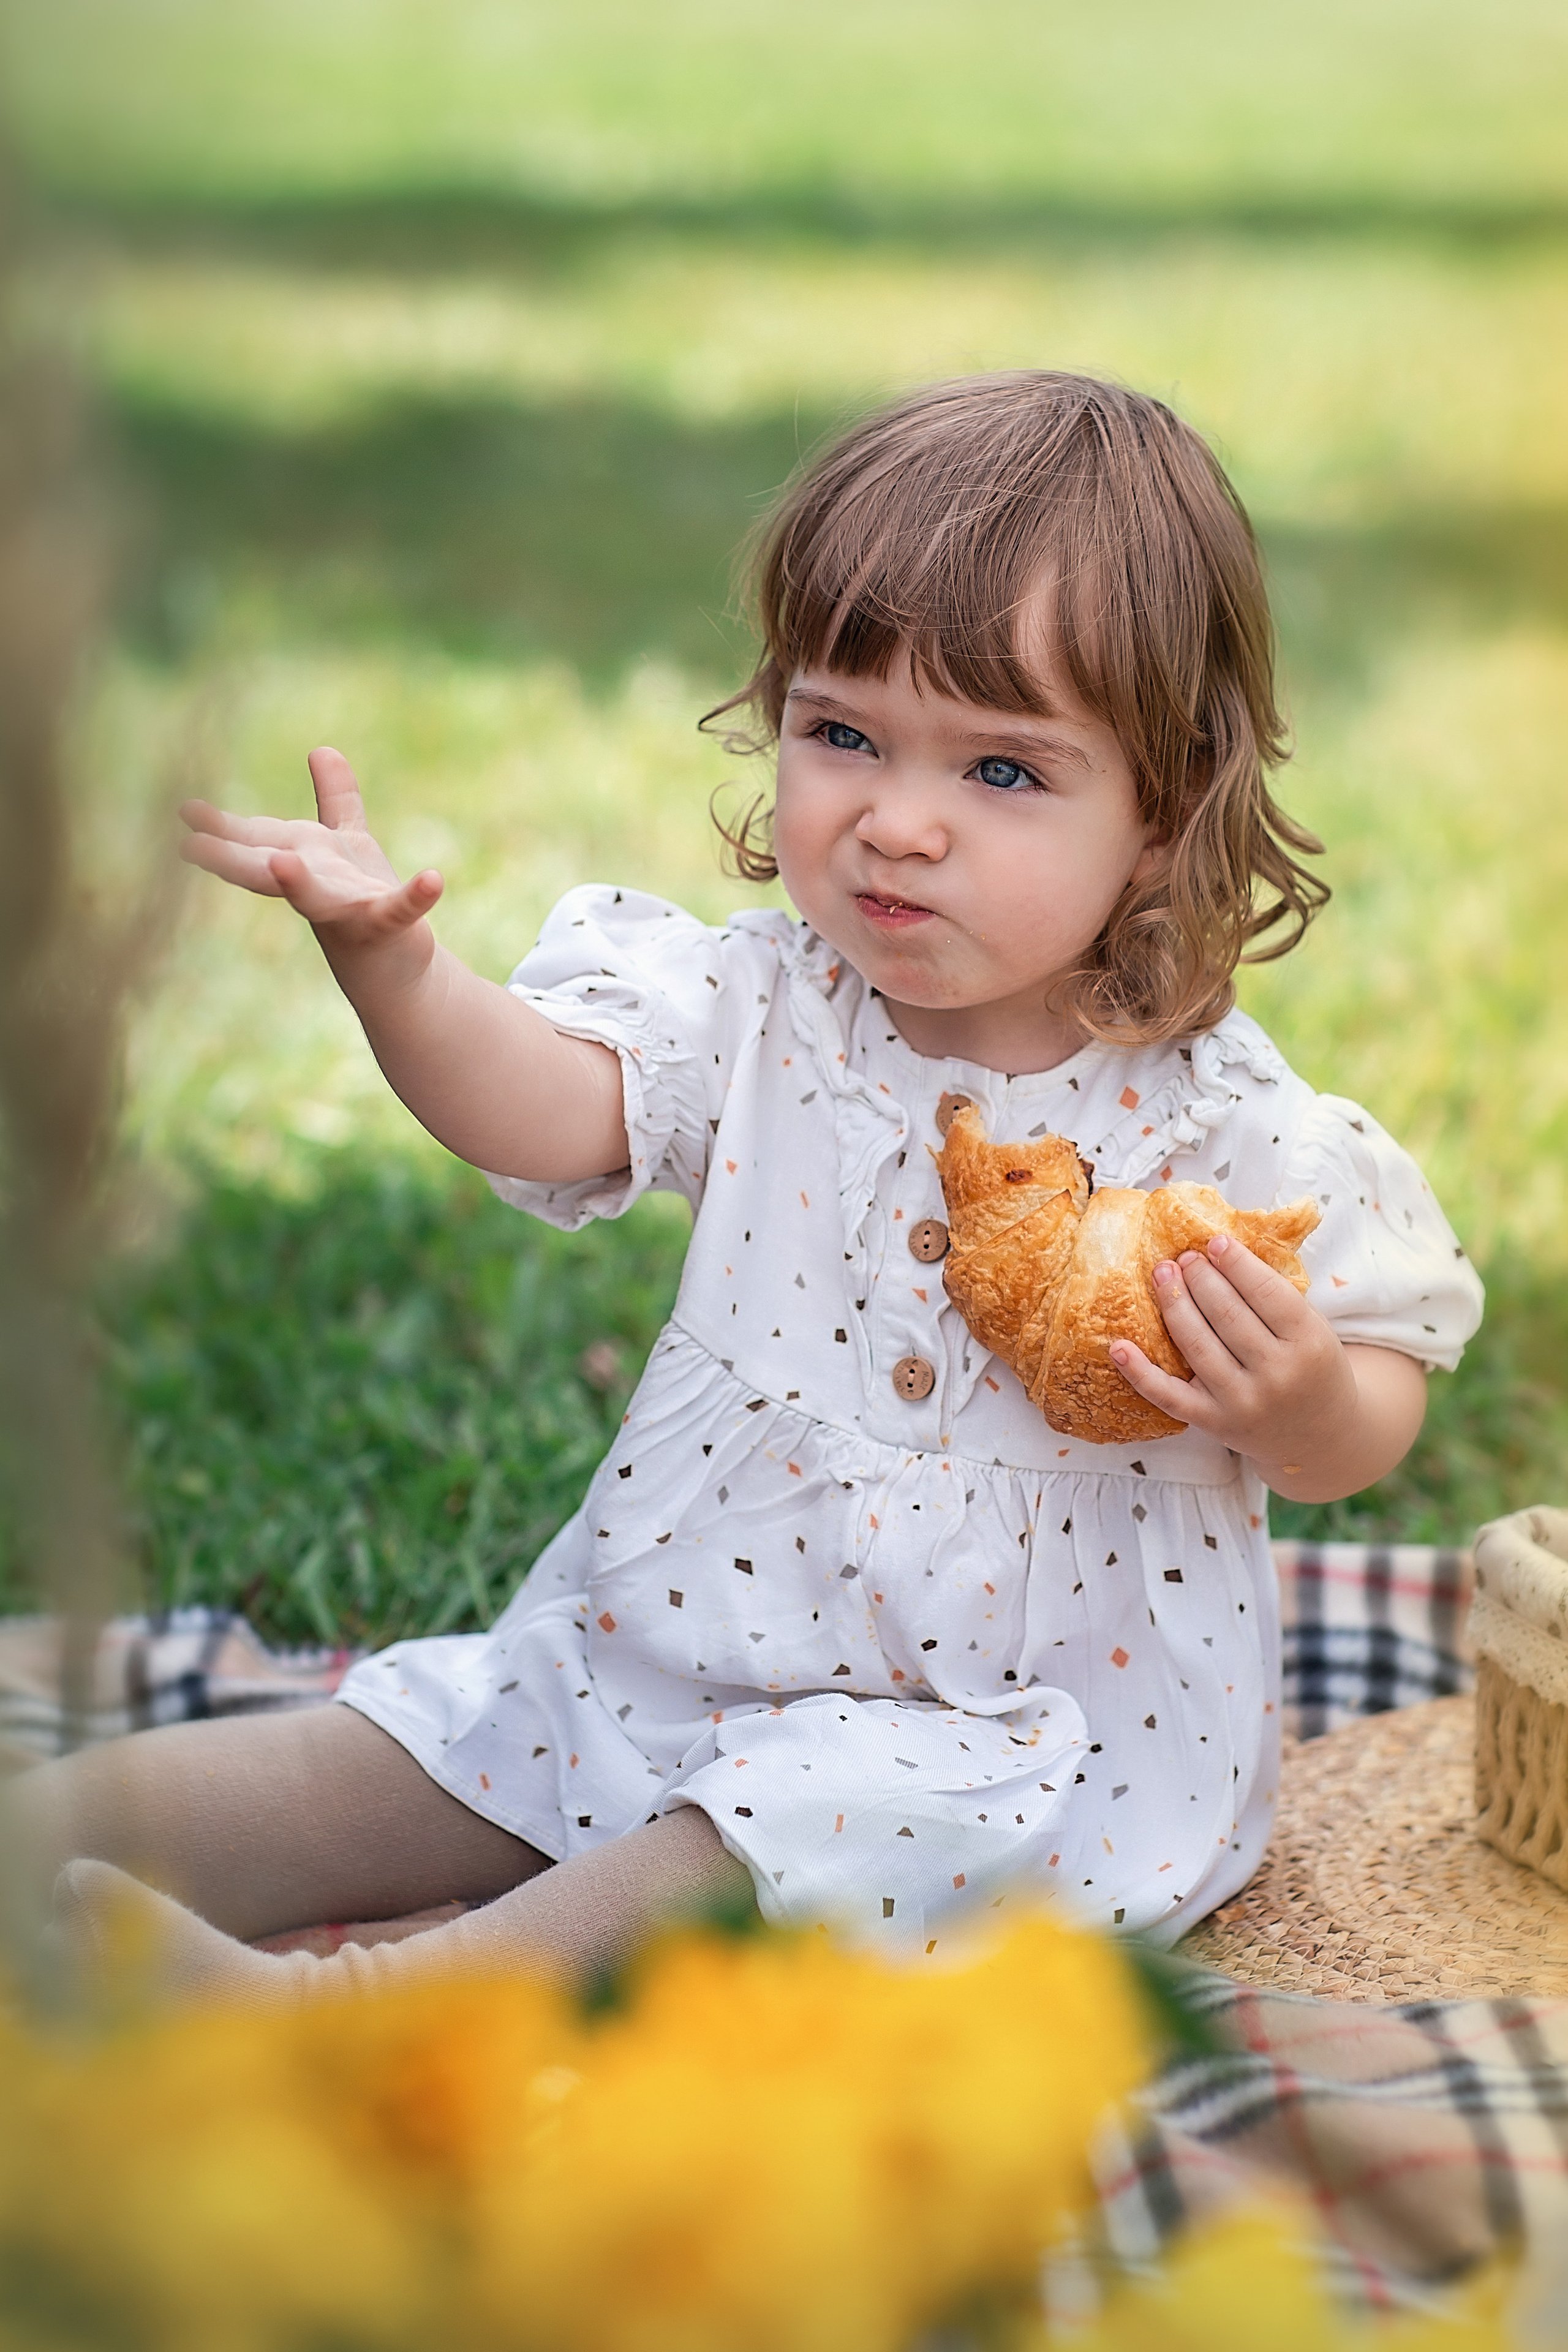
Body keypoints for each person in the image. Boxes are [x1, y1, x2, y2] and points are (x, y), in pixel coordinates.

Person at [16, 372, 1482, 2007]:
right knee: (422, 1746)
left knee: (779, 1835)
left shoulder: (1220, 1128)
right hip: (668, 1656)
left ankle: (351, 2016)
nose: (896, 824)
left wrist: (1296, 1405)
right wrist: (395, 966)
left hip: (1007, 1761)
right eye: (842, 733)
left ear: (1161, 815)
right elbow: (544, 1114)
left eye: (1001, 773)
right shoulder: (758, 1010)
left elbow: (1376, 1402)